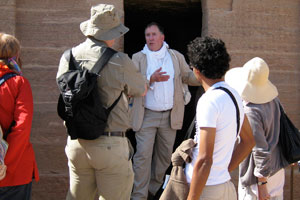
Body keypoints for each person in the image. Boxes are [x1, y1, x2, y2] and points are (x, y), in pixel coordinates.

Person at [56, 4, 147, 200]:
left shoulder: (67, 57)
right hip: (110, 143)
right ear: (111, 33)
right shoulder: (120, 60)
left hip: (77, 143)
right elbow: (141, 89)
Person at [130, 22, 201, 200]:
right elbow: (131, 85)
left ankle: (152, 193)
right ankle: (138, 196)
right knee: (142, 157)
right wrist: (150, 79)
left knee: (163, 159)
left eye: (154, 34)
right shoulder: (138, 58)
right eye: (148, 35)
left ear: (162, 37)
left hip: (170, 116)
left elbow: (187, 76)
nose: (151, 38)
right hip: (146, 115)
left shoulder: (175, 56)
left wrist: (204, 73)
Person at [184, 36, 255, 200]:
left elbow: (204, 159)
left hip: (206, 189)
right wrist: (223, 170)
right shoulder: (235, 95)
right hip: (225, 185)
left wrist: (192, 198)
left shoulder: (209, 100)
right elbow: (249, 141)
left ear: (196, 71)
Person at [225, 57, 289, 200]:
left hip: (258, 177)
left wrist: (262, 185)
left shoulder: (251, 111)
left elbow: (260, 149)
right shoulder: (274, 100)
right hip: (277, 170)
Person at [0, 33, 39, 199]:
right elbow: (22, 126)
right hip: (14, 170)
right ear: (16, 54)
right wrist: (4, 163)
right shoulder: (18, 83)